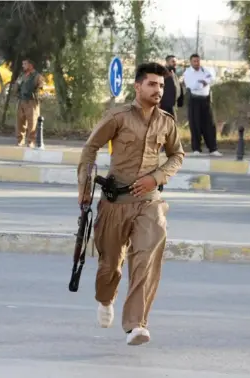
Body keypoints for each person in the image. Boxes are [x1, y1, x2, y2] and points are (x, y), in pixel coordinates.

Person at [77, 62, 184, 346]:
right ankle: (105, 298)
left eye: (161, 85)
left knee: (146, 258)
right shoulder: (118, 117)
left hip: (148, 201)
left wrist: (158, 177)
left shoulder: (166, 122)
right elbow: (90, 149)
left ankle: (136, 324)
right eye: (152, 84)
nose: (158, 90)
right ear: (137, 86)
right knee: (109, 265)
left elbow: (177, 155)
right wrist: (84, 188)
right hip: (115, 201)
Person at [182, 53, 222, 157]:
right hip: (195, 100)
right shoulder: (188, 73)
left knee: (209, 124)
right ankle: (196, 149)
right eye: (194, 61)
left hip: (206, 100)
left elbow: (211, 79)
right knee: (195, 124)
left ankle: (213, 148)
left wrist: (204, 81)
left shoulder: (205, 70)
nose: (197, 63)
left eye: (198, 61)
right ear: (191, 62)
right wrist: (203, 82)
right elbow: (192, 86)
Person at [14, 59, 44, 147]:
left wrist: (37, 94)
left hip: (31, 102)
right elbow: (17, 86)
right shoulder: (22, 76)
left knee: (32, 122)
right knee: (20, 121)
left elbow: (41, 88)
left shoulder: (37, 76)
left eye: (25, 64)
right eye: (23, 64)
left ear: (30, 65)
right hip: (21, 101)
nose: (23, 65)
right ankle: (20, 140)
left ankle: (31, 141)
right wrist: (16, 90)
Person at [159, 54, 184, 119]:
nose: (175, 63)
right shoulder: (162, 73)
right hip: (163, 105)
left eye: (176, 61)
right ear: (167, 62)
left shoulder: (173, 73)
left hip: (172, 105)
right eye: (173, 61)